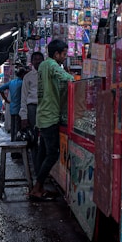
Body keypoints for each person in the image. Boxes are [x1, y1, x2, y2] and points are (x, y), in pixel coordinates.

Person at [29, 39, 74, 201]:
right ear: (56, 54)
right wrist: (76, 80)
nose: (64, 57)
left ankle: (38, 185)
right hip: (49, 116)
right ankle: (37, 187)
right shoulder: (51, 65)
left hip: (43, 115)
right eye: (63, 54)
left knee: (42, 154)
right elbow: (65, 77)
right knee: (52, 154)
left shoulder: (43, 66)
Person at [19, 51, 44, 173]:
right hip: (32, 108)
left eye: (40, 59)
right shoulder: (28, 77)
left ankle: (44, 169)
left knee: (44, 139)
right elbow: (23, 98)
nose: (38, 61)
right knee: (34, 139)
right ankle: (36, 169)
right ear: (32, 62)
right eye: (36, 59)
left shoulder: (48, 74)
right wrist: (24, 116)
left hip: (45, 108)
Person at [0, 68, 27, 144]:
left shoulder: (11, 82)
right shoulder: (23, 83)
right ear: (23, 75)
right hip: (20, 109)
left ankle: (13, 148)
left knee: (13, 129)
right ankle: (17, 149)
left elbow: (0, 89)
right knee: (18, 129)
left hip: (12, 108)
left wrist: (6, 100)